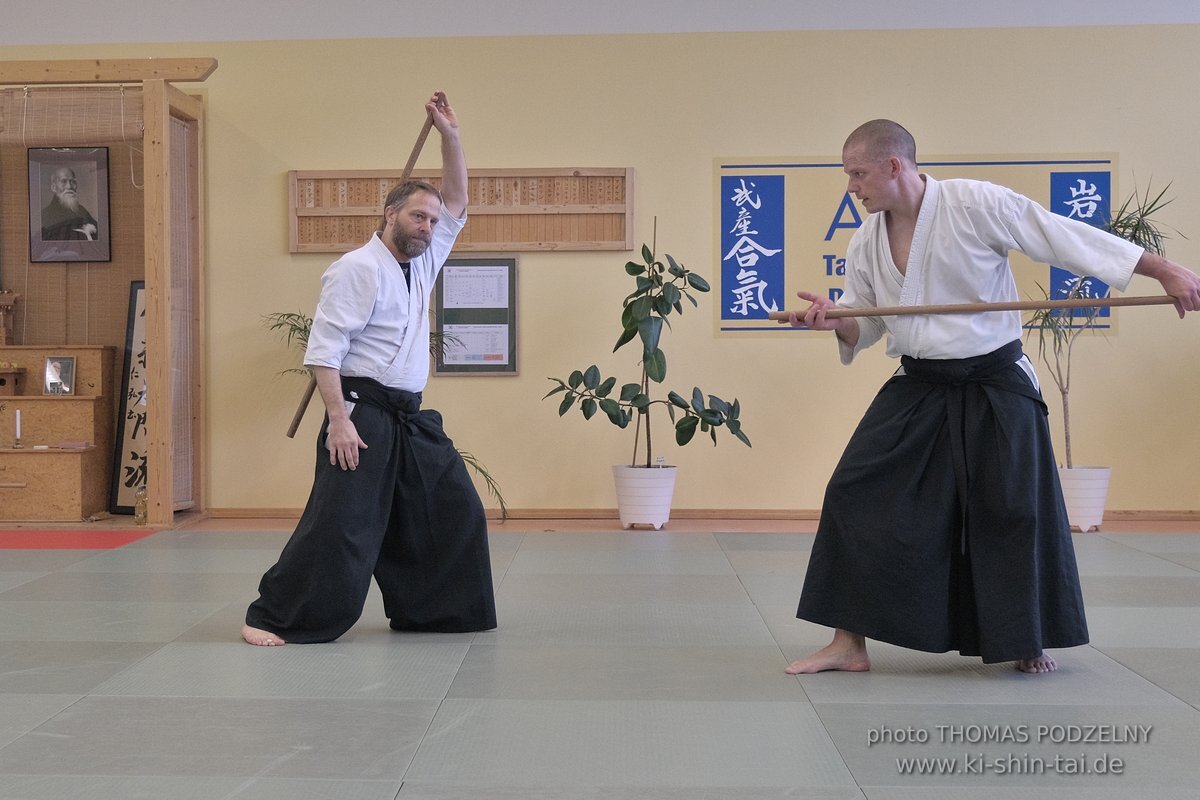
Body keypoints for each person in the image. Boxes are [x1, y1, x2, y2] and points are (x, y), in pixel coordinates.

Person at [784, 119, 1200, 675]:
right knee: (853, 492)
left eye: (857, 174)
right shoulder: (866, 240)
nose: (851, 187)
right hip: (921, 382)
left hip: (994, 379)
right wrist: (832, 323)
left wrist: (1164, 269)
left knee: (1010, 510)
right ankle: (847, 642)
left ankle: (1024, 638)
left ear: (893, 165)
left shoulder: (975, 203)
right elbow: (868, 324)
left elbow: (1064, 237)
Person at [242, 91, 496, 646]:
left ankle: (433, 612)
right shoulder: (356, 269)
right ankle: (273, 616)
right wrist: (338, 421)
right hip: (361, 412)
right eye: (416, 215)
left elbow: (457, 197)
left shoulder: (425, 259)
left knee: (453, 509)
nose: (429, 224)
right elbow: (324, 352)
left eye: (432, 219)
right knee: (342, 527)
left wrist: (451, 135)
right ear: (390, 213)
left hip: (409, 416)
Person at [40, 166, 99, 241]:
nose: (69, 186)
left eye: (73, 182)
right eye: (63, 181)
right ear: (54, 187)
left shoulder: (82, 211)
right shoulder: (45, 214)